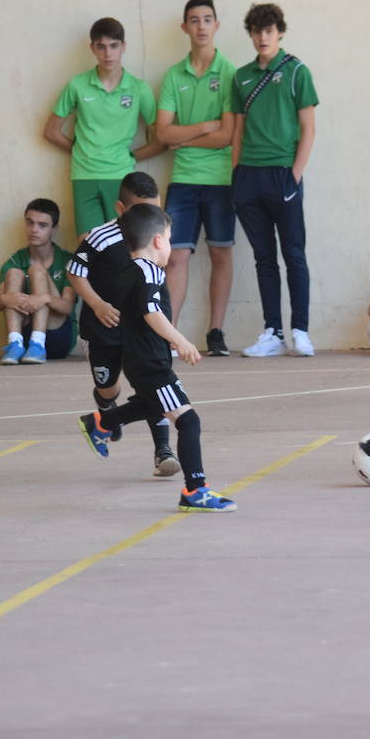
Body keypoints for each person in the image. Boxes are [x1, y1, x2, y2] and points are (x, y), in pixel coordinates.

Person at [77, 204, 236, 513]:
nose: (171, 244)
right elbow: (151, 312)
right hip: (150, 364)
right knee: (189, 422)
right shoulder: (148, 272)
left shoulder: (128, 270)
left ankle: (101, 422)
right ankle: (195, 490)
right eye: (170, 236)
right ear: (159, 241)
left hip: (138, 361)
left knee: (151, 404)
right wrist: (180, 340)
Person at [68, 173, 179, 477]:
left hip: (143, 330)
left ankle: (163, 451)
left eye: (156, 210)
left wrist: (169, 331)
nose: (152, 218)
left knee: (156, 386)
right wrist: (97, 304)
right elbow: (75, 271)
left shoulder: (158, 234)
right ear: (120, 208)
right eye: (143, 210)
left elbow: (157, 288)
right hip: (105, 327)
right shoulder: (99, 238)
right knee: (108, 387)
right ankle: (106, 412)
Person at [230, 2, 319, 357]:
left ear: (279, 32)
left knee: (294, 253)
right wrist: (236, 174)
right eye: (256, 30)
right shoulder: (241, 76)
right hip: (248, 176)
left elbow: (308, 128)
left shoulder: (297, 71)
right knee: (263, 257)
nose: (262, 37)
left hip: (283, 172)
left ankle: (301, 330)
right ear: (250, 34)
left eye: (268, 30)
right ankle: (272, 332)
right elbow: (237, 129)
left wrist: (294, 175)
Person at [156, 0, 238, 357]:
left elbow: (228, 136)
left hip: (221, 180)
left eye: (207, 19)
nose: (201, 26)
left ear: (217, 25)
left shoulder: (230, 73)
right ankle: (170, 335)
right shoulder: (174, 75)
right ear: (185, 27)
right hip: (184, 179)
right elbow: (162, 134)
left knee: (221, 254)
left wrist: (184, 136)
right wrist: (205, 126)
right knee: (175, 258)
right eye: (194, 20)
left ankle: (216, 332)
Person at [43, 18, 161, 237]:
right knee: (88, 248)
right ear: (93, 49)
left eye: (114, 46)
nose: (108, 54)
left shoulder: (138, 89)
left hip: (120, 176)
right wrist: (83, 150)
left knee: (123, 247)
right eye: (101, 46)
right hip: (84, 176)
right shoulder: (77, 85)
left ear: (123, 46)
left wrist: (132, 156)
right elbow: (51, 132)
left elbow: (161, 138)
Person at [0, 199, 77, 365]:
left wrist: (44, 298)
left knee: (37, 270)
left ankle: (38, 343)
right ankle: (14, 343)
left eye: (42, 225)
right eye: (30, 223)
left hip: (57, 336)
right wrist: (5, 299)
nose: (34, 230)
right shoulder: (15, 260)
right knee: (13, 273)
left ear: (54, 229)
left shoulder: (67, 260)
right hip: (26, 336)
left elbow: (68, 307)